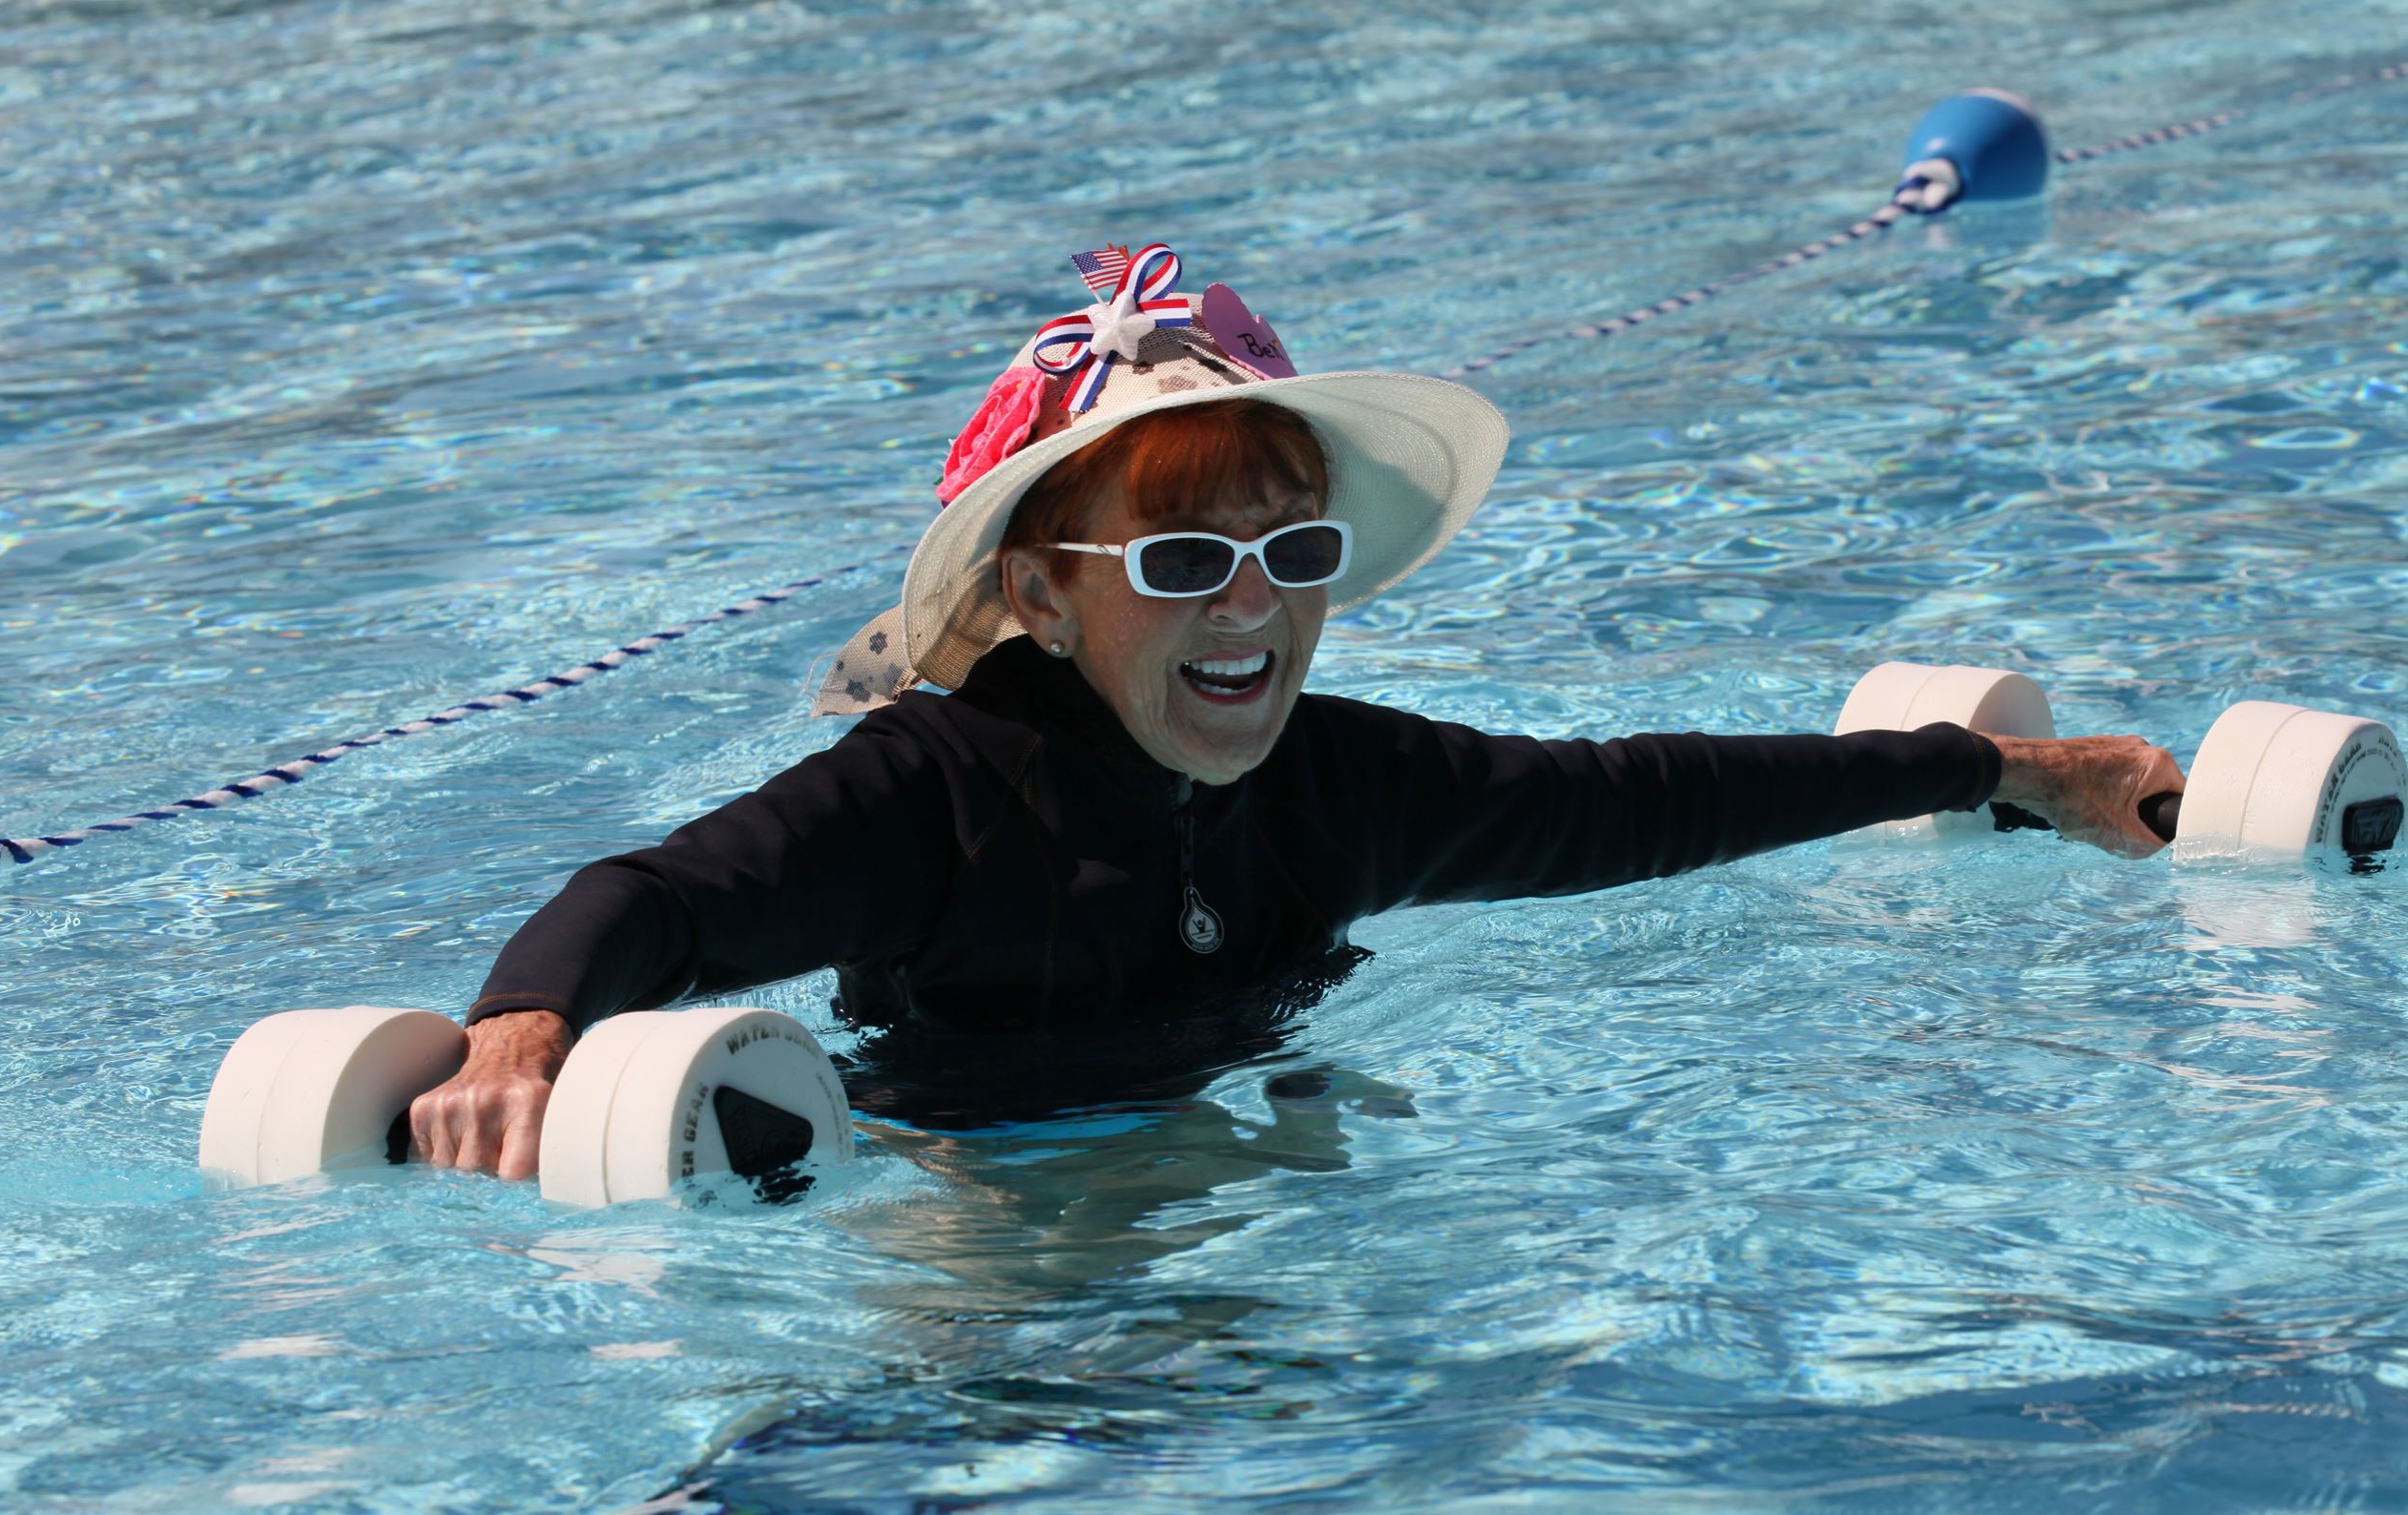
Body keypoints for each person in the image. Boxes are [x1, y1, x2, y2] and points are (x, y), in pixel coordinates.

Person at [409, 243, 2183, 1179]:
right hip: (998, 1222)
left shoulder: (1344, 783)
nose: (1251, 605)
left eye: (1293, 549)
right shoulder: (931, 795)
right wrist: (516, 1033)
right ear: (1042, 593)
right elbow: (662, 898)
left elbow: (1654, 798)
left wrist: (2002, 766)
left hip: (1269, 1135)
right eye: (1181, 561)